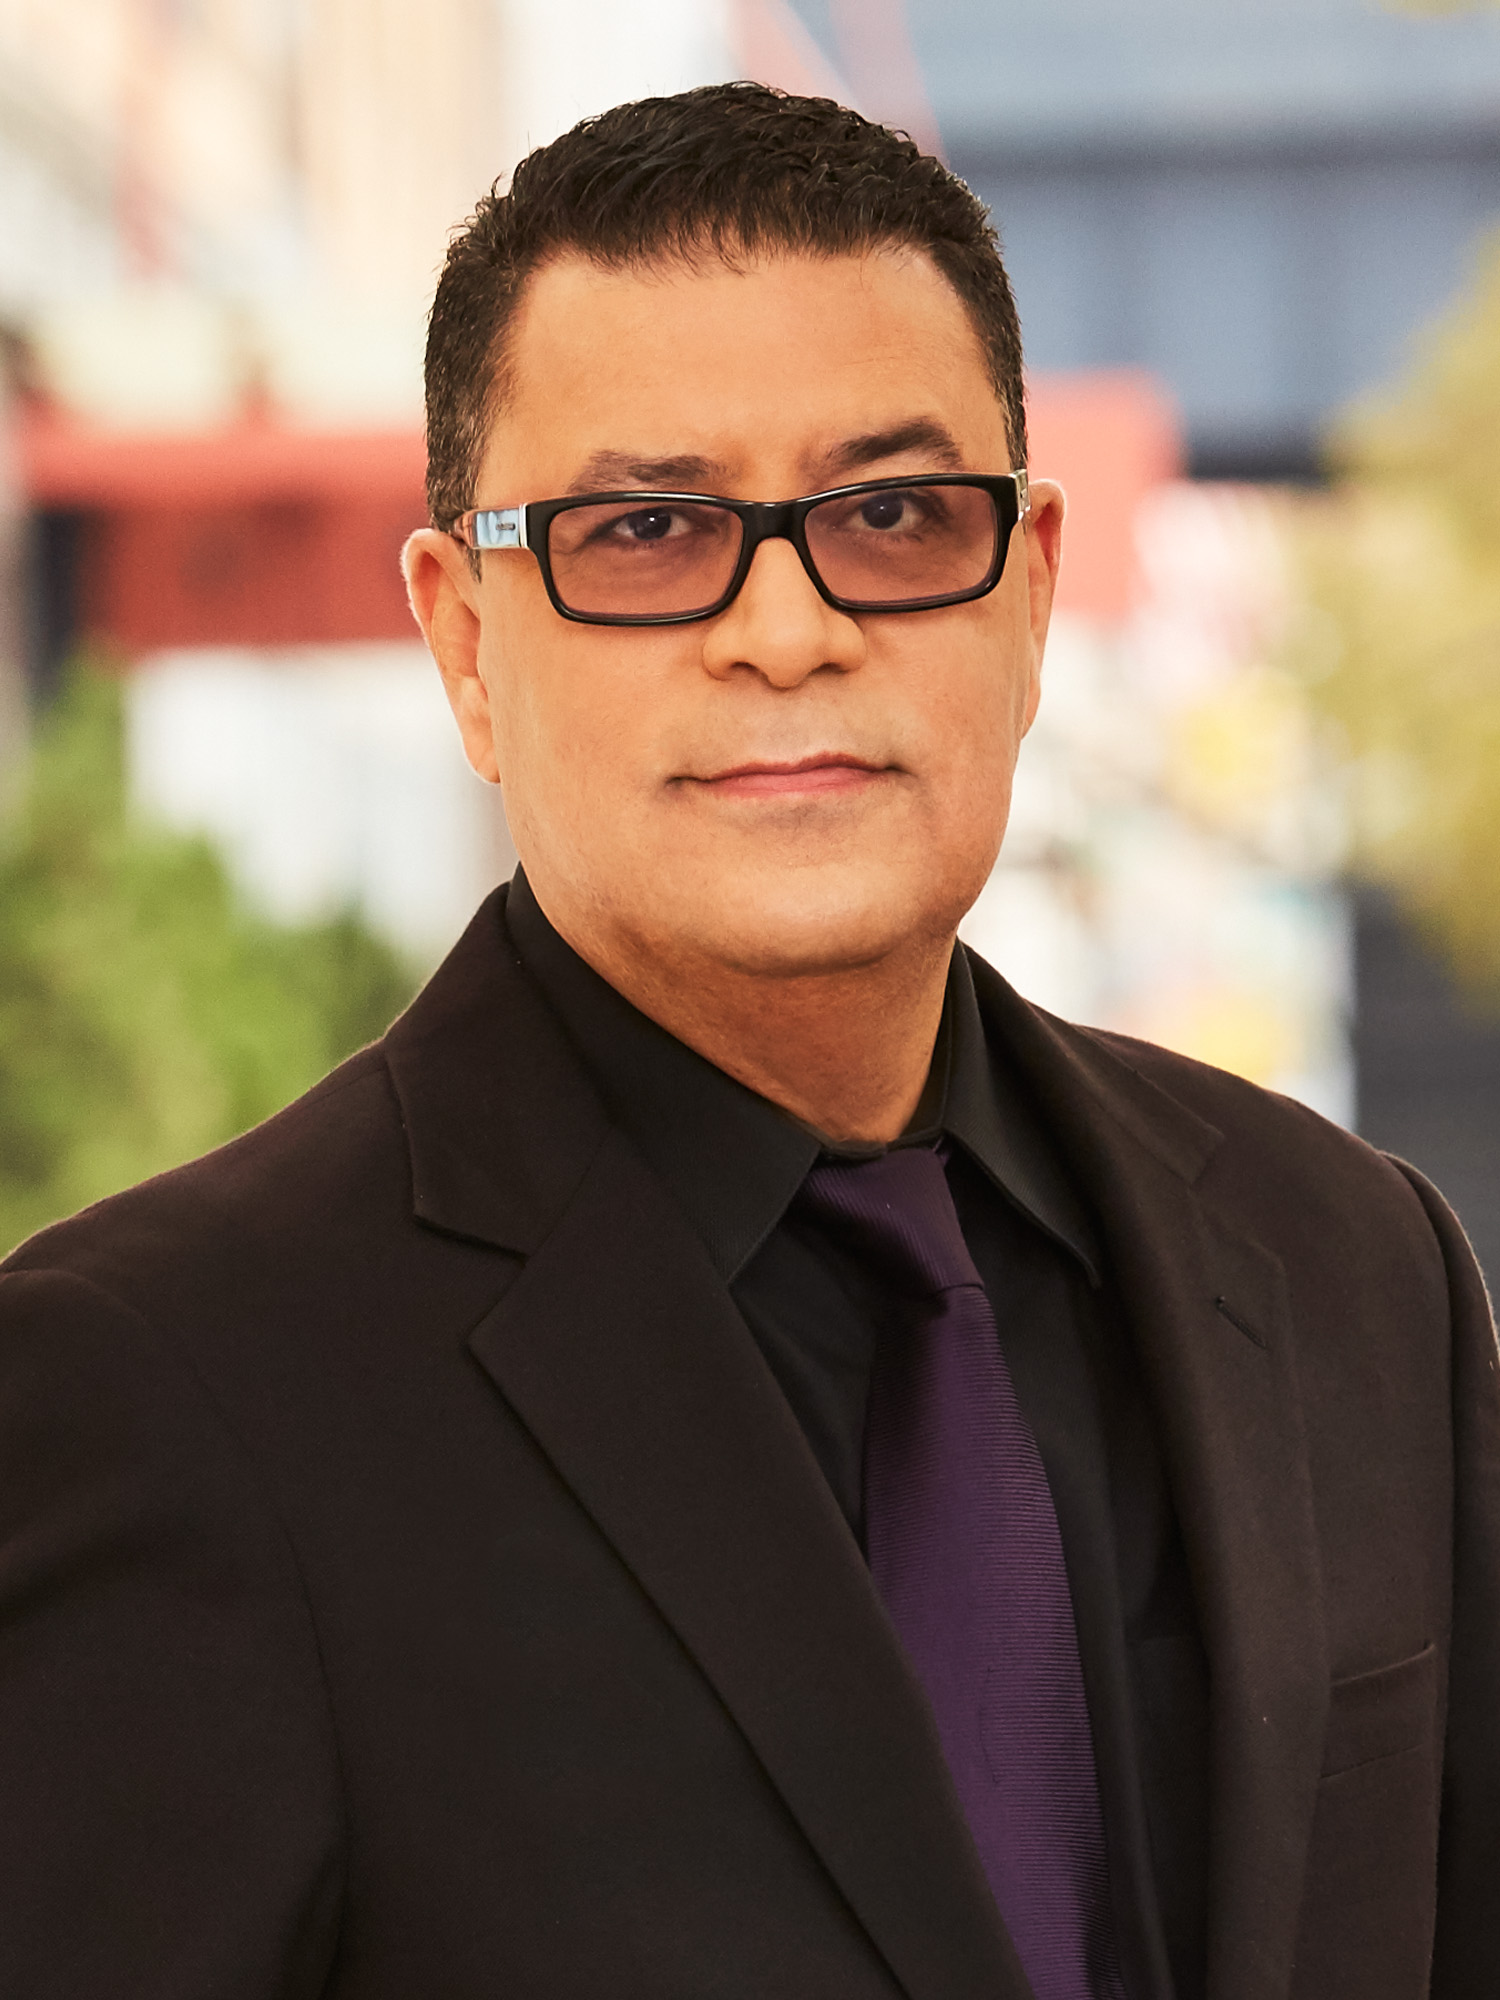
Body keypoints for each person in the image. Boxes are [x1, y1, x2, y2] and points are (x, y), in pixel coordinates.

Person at [0, 83, 1495, 2000]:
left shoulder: (1353, 1264)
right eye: (644, 530)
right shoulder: (159, 1388)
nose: (786, 631)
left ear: (1032, 590)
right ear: (465, 639)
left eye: (892, 516)